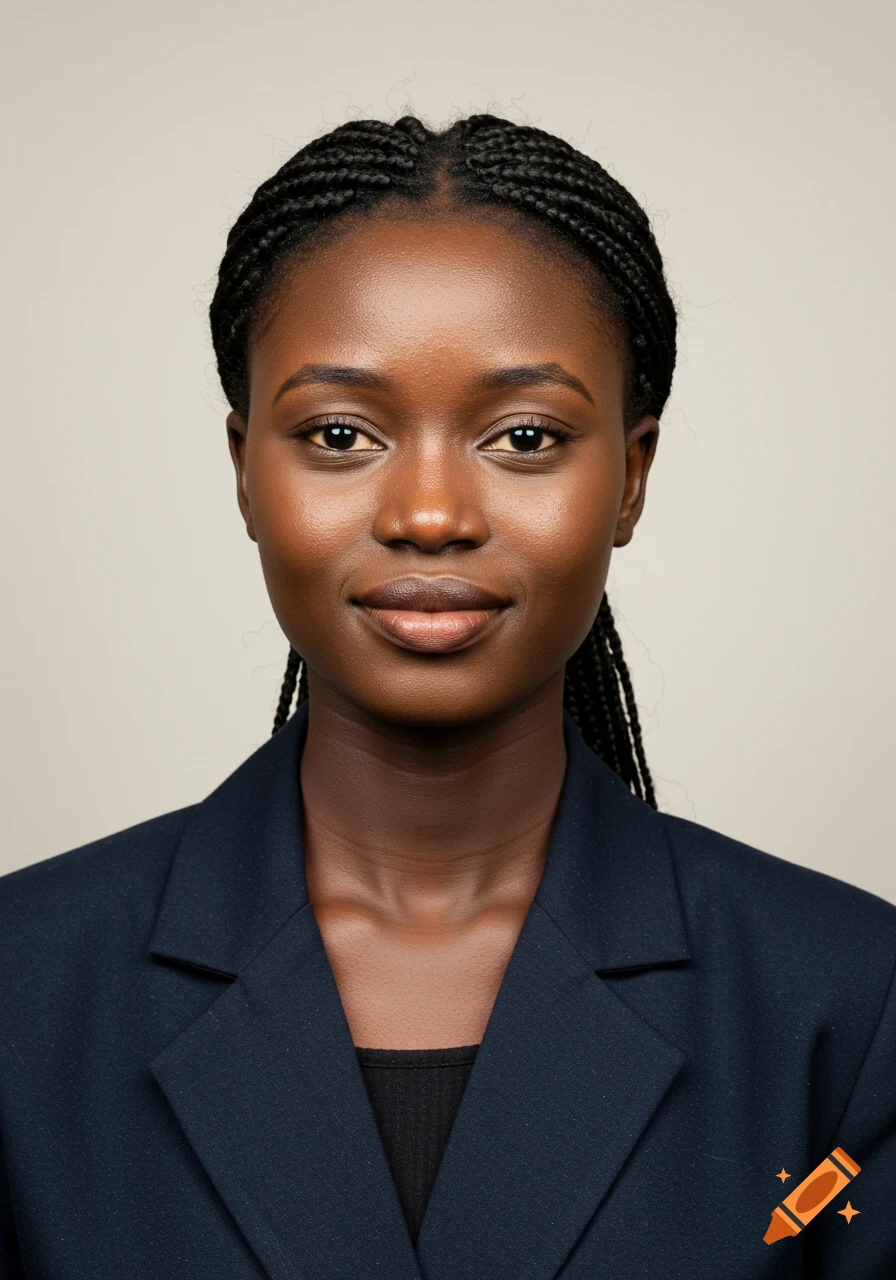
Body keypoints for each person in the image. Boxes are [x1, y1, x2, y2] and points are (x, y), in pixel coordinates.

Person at [1, 114, 894, 1280]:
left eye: (523, 435)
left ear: (629, 476)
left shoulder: (846, 1003)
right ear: (242, 471)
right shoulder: (20, 990)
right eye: (338, 432)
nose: (429, 511)